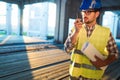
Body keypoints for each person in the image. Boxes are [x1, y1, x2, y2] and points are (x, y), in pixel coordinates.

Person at [64, 0, 119, 79]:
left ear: (97, 14)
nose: (84, 14)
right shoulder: (75, 29)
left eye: (89, 12)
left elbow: (115, 53)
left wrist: (104, 62)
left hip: (93, 77)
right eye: (83, 12)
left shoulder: (106, 32)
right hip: (75, 77)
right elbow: (67, 49)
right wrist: (76, 32)